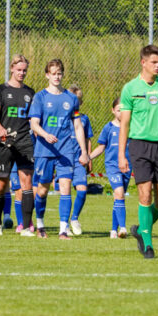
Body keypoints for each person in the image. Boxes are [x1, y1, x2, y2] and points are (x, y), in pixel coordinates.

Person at [117, 45, 158, 259]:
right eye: (154, 62)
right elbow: (125, 124)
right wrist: (121, 154)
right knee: (145, 195)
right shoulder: (130, 88)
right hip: (140, 146)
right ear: (143, 62)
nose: (157, 66)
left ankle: (141, 229)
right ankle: (148, 245)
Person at [29, 59, 89, 240]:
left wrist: (84, 151)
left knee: (66, 187)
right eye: (53, 73)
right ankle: (40, 224)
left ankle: (63, 230)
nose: (57, 76)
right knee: (42, 189)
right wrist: (45, 135)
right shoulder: (40, 97)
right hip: (44, 150)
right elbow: (34, 123)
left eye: (59, 73)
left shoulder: (71, 98)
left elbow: (78, 126)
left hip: (66, 150)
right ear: (47, 75)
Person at [0, 54, 36, 237]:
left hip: (24, 141)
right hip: (4, 142)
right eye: (19, 70)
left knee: (27, 183)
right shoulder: (1, 90)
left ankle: (25, 227)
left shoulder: (30, 93)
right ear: (11, 69)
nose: (22, 73)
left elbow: (34, 118)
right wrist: (0, 129)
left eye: (24, 70)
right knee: (1, 185)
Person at [89, 98, 130, 238]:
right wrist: (88, 157)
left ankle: (113, 229)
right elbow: (101, 147)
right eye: (119, 110)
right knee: (119, 193)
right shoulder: (108, 128)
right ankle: (123, 228)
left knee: (118, 197)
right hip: (113, 166)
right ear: (113, 110)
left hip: (127, 167)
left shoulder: (131, 127)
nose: (121, 113)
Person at [66, 84, 93, 235]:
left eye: (77, 101)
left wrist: (88, 157)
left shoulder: (84, 119)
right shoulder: (62, 118)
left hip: (79, 159)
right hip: (64, 158)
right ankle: (64, 224)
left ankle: (74, 218)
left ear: (80, 103)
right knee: (66, 191)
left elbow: (88, 139)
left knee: (82, 190)